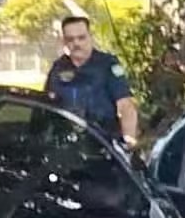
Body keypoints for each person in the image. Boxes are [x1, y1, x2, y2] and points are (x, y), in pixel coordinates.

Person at [44, 16, 139, 149]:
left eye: (81, 38)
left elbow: (126, 106)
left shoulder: (107, 65)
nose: (76, 43)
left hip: (102, 143)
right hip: (66, 145)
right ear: (64, 41)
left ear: (90, 37)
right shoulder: (58, 68)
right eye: (70, 39)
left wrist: (129, 140)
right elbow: (45, 107)